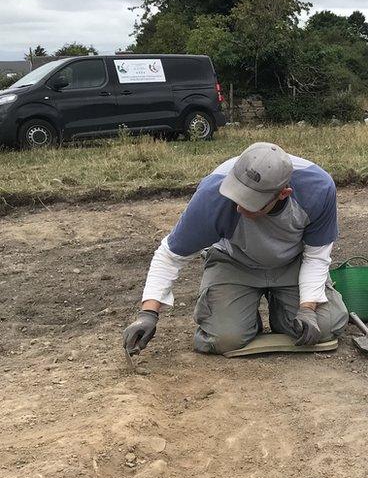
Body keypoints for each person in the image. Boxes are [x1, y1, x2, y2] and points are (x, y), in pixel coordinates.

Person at [122, 142, 348, 356]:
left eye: (251, 201)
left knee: (325, 328)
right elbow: (170, 255)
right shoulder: (213, 195)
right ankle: (244, 316)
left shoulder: (318, 189)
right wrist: (148, 313)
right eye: (237, 194)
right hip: (234, 262)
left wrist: (307, 308)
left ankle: (284, 313)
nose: (239, 206)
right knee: (224, 339)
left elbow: (316, 256)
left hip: (292, 263)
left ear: (283, 193)